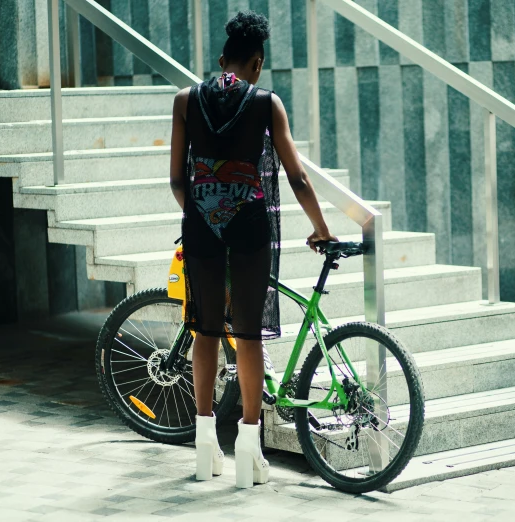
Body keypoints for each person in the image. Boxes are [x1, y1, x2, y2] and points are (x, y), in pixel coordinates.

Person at [168, 11, 336, 488]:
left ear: (223, 59)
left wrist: (204, 211)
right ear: (257, 63)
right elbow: (297, 176)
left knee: (204, 330)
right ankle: (248, 451)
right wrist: (320, 228)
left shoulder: (185, 100)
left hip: (201, 227)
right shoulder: (266, 103)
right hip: (249, 227)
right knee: (247, 335)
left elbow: (178, 179)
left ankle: (204, 447)